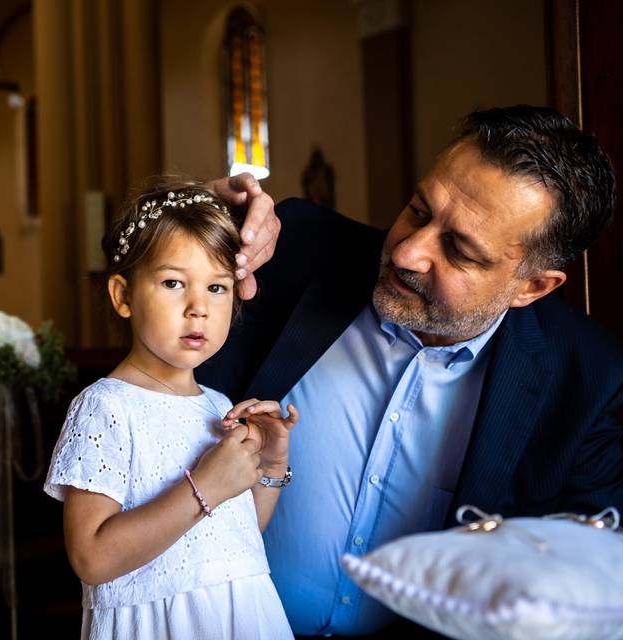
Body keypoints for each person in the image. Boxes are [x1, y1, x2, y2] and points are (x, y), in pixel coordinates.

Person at [198, 105, 623, 637]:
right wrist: (194, 218)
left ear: (531, 287)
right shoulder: (296, 248)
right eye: (420, 211)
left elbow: (589, 586)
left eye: (460, 250)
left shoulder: (587, 378)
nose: (407, 252)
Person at [44, 178, 297, 639]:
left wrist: (272, 463)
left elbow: (238, 539)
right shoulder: (105, 408)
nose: (198, 307)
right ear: (123, 296)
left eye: (217, 288)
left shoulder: (218, 405)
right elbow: (91, 559)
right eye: (173, 282)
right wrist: (202, 486)